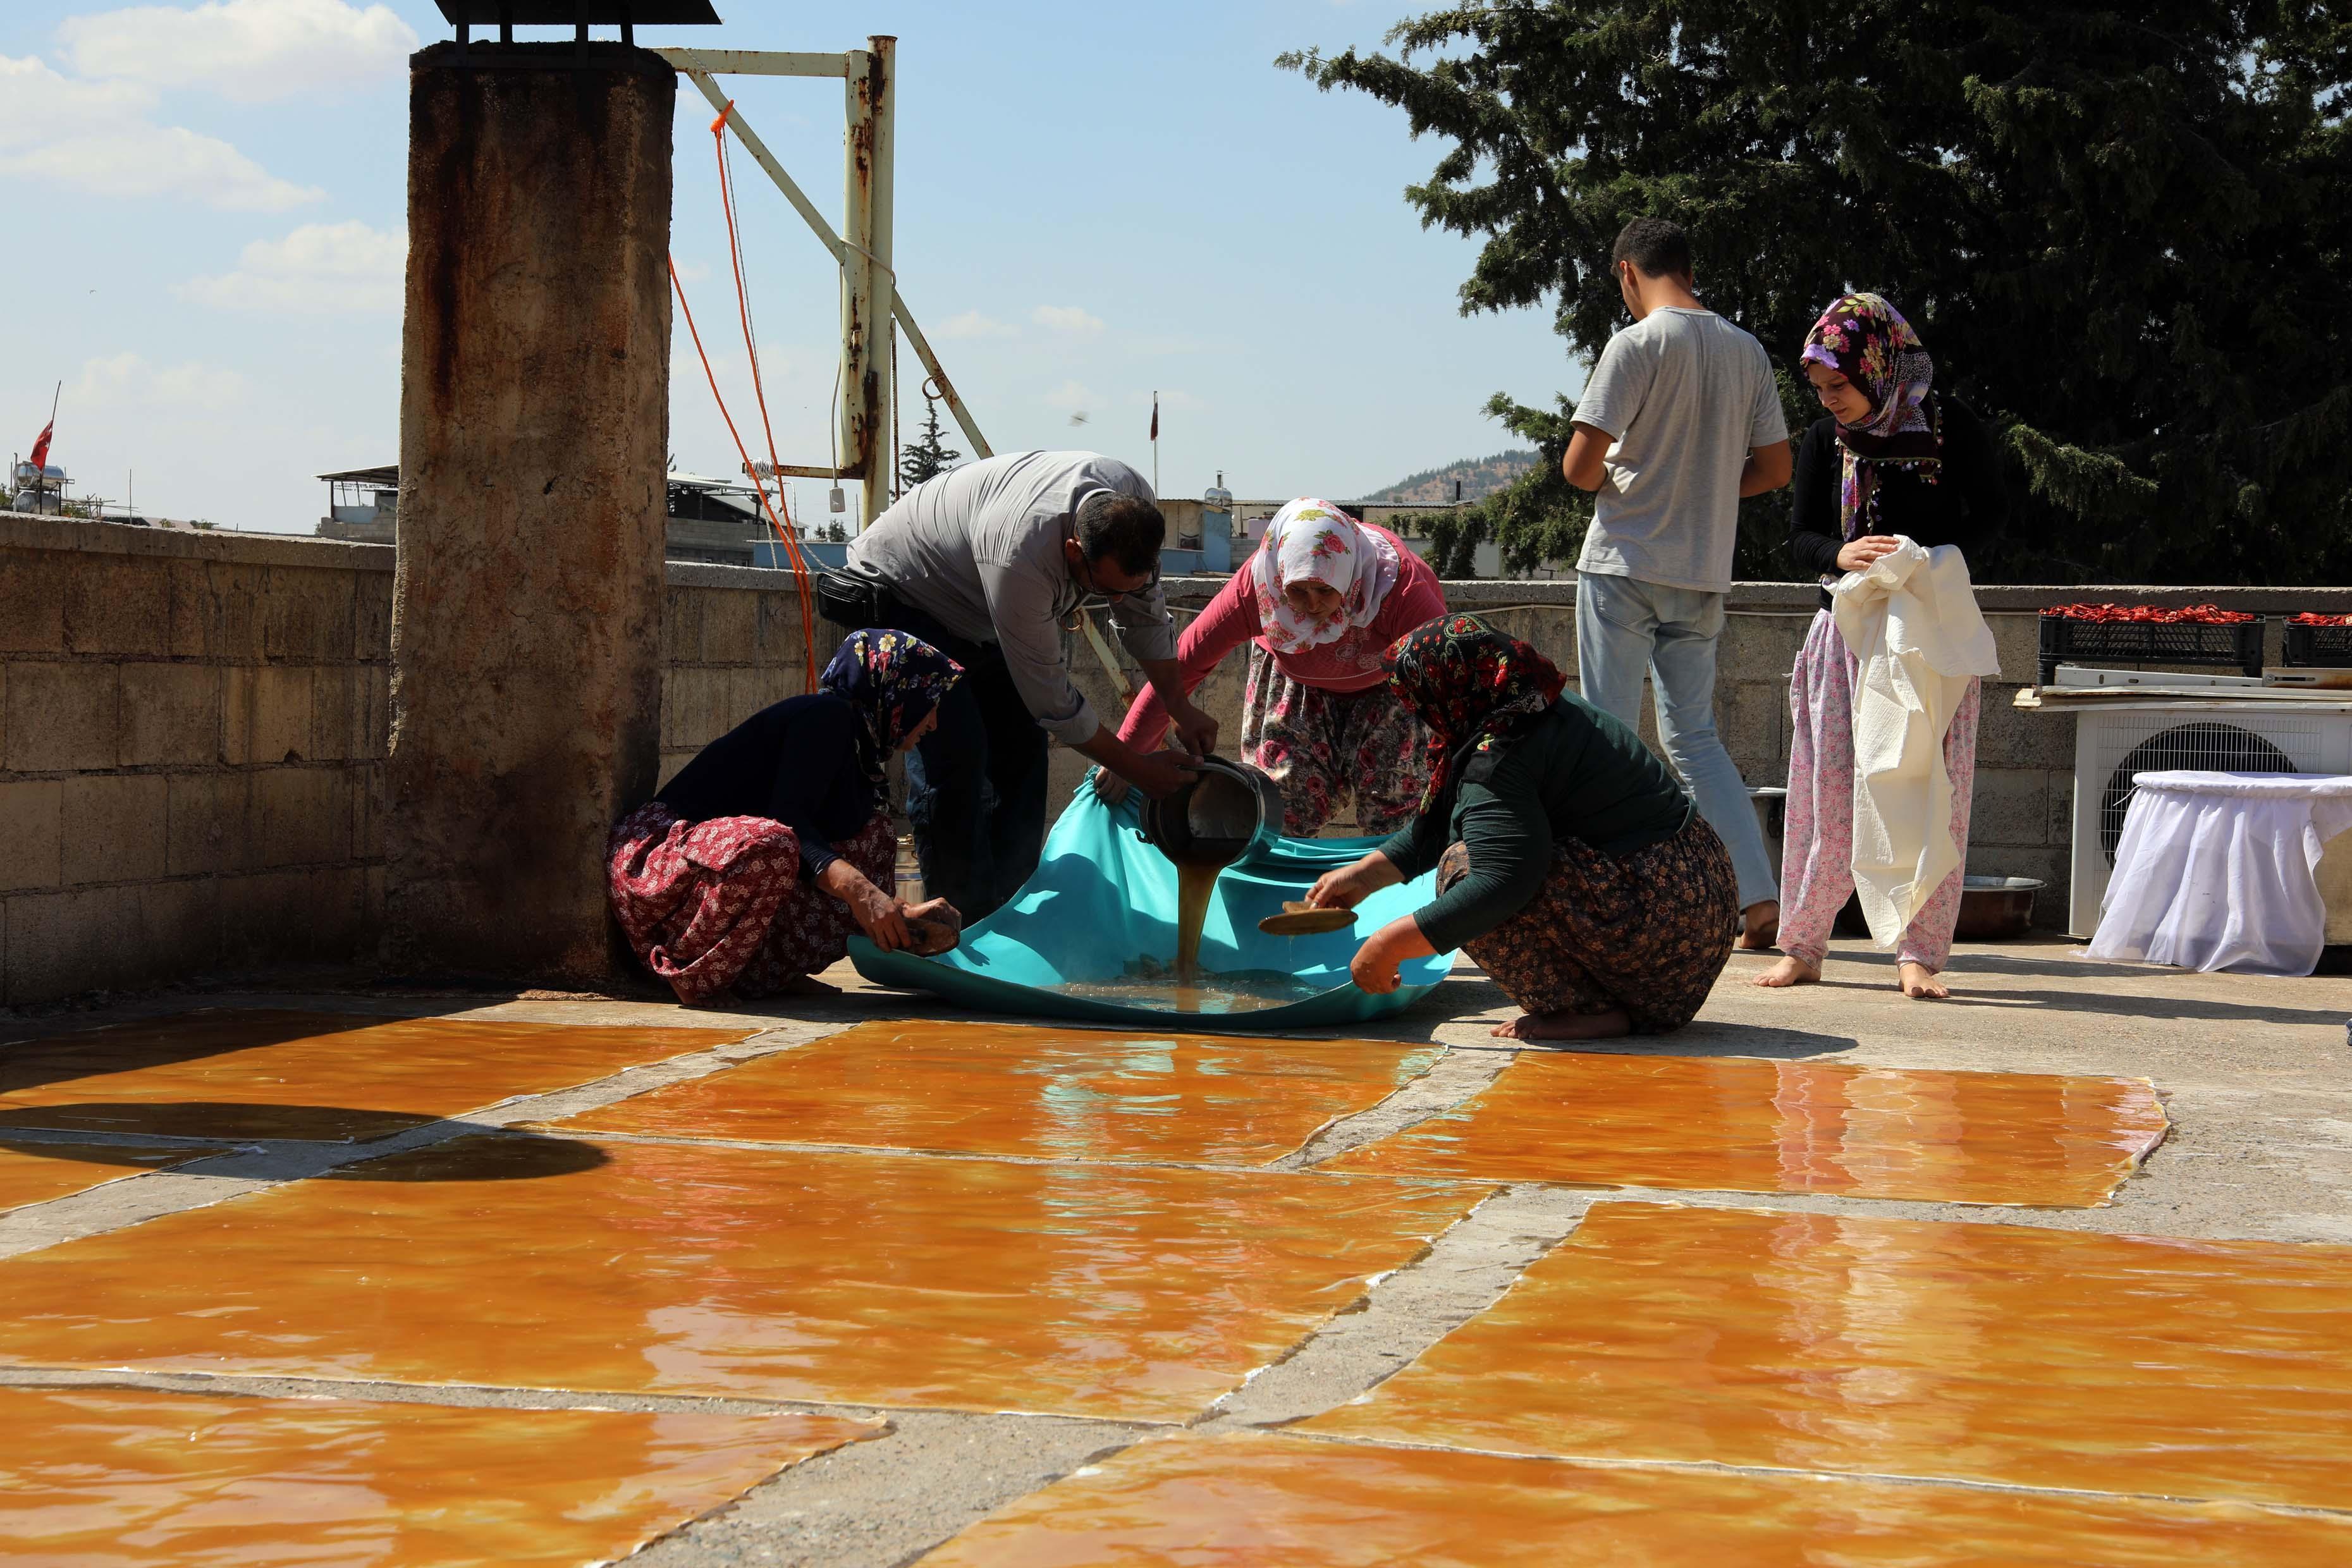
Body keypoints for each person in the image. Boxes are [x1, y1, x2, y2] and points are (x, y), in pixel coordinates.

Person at [1306, 613, 1738, 1041]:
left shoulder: (1499, 754)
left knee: (1464, 870)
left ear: (1448, 688)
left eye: (1415, 697)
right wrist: (1363, 876)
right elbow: (1443, 822)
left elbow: (1503, 879)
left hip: (1665, 931)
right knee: (1480, 851)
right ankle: (1614, 1000)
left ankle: (1588, 1010)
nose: (1414, 713)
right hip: (1698, 908)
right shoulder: (1532, 702)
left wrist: (1388, 947)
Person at [841, 451, 1219, 921]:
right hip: (908, 589)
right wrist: (1139, 770)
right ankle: (964, 927)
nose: (1117, 601)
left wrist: (1180, 708)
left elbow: (1143, 617)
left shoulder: (1131, 505)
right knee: (958, 757)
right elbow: (1054, 702)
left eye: (1129, 587)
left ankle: (1013, 911)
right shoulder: (1021, 556)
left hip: (978, 605)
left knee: (1023, 751)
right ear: (1073, 552)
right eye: (1105, 591)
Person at [1758, 293, 2007, 1000]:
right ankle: (1804, 945)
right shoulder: (1821, 442)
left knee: (1931, 787)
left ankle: (1918, 953)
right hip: (1843, 637)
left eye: (1840, 384)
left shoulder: (1949, 427)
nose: (1831, 399)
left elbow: (1991, 514)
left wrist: (1933, 563)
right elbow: (1800, 535)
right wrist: (1842, 555)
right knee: (1826, 790)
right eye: (1821, 388)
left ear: (1878, 365)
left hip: (1930, 639)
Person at [1563, 216, 1791, 950]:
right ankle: (1758, 899)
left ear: (1629, 272)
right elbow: (1777, 468)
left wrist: (1631, 481)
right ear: (1687, 268)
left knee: (1606, 736)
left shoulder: (1636, 344)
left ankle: (1610, 905)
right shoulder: (1746, 349)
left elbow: (1578, 467)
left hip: (1624, 565)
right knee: (1696, 740)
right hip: (1701, 574)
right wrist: (1709, 489)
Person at [607, 629, 964, 1005]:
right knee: (775, 845)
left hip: (709, 873)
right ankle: (695, 971)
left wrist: (900, 913)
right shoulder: (826, 717)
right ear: (898, 690)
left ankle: (766, 975)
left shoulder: (863, 748)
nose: (934, 722)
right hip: (658, 866)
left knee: (874, 836)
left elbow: (821, 846)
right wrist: (861, 890)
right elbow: (790, 823)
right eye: (930, 702)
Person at [1098, 498, 1448, 836]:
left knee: (1396, 808)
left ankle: (1396, 892)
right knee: (1278, 807)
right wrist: (1127, 756)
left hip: (1386, 689)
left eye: (1325, 591)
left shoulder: (1395, 587)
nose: (1312, 605)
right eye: (1298, 591)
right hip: (1296, 688)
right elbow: (1184, 665)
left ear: (1349, 575)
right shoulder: (1257, 589)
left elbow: (1452, 678)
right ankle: (1271, 893)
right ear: (1279, 580)